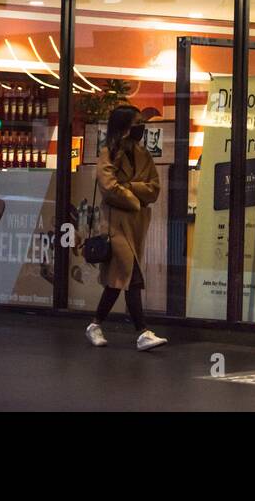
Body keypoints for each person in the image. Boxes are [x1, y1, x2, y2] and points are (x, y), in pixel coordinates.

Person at [85, 104, 168, 351]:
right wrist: (135, 197)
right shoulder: (108, 154)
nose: (141, 128)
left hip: (137, 224)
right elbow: (109, 187)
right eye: (136, 124)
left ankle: (95, 324)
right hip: (115, 225)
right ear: (123, 128)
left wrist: (129, 187)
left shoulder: (144, 154)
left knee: (117, 280)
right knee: (132, 276)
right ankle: (142, 332)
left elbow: (154, 188)